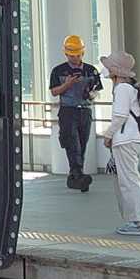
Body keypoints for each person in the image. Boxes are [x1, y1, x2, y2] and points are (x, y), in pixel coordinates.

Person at [99, 51, 140, 237]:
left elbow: (120, 116)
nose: (106, 70)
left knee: (128, 181)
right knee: (130, 180)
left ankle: (138, 222)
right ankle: (137, 220)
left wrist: (108, 135)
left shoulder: (122, 89)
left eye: (109, 66)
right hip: (131, 139)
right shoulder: (129, 88)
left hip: (125, 140)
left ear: (115, 70)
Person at [49, 35, 102, 192]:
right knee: (72, 143)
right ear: (66, 54)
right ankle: (77, 174)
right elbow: (54, 91)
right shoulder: (58, 71)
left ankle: (76, 176)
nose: (75, 58)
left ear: (82, 53)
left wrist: (91, 94)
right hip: (67, 110)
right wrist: (67, 84)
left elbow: (97, 91)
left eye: (78, 55)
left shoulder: (91, 70)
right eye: (72, 56)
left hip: (85, 110)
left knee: (82, 144)